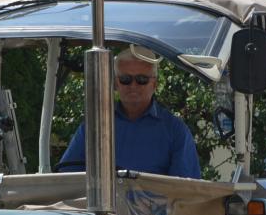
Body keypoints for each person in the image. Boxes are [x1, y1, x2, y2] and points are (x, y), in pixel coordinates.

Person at [58, 47, 200, 178]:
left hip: (155, 206)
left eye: (142, 80)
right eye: (125, 79)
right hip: (103, 206)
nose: (133, 86)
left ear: (155, 84)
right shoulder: (95, 126)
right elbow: (68, 177)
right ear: (115, 83)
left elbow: (185, 191)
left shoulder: (175, 131)